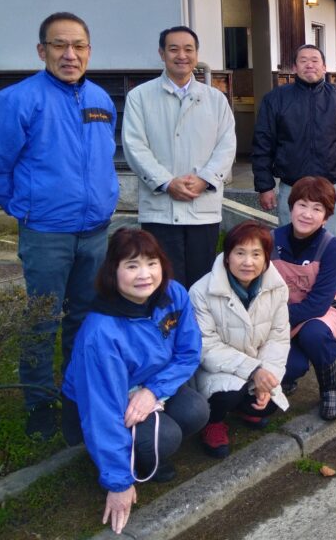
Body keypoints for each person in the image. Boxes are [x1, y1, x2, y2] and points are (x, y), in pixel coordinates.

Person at [0, 11, 119, 439]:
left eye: (78, 46)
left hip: (94, 232)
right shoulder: (17, 101)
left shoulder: (101, 99)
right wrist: (26, 209)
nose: (69, 54)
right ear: (42, 51)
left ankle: (76, 391)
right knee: (42, 319)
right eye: (59, 45)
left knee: (85, 316)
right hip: (46, 234)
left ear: (89, 51)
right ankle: (39, 400)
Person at [61, 228, 206, 536]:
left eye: (152, 263)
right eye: (132, 265)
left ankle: (148, 450)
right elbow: (101, 411)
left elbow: (189, 352)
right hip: (109, 396)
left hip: (151, 382)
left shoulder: (174, 295)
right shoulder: (101, 333)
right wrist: (118, 483)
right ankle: (133, 461)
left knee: (196, 410)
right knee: (165, 437)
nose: (145, 275)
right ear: (113, 271)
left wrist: (153, 391)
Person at [122, 26, 236, 287]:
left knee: (201, 282)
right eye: (174, 49)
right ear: (162, 54)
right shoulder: (140, 97)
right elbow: (134, 145)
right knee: (162, 281)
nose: (181, 55)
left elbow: (227, 144)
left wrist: (205, 179)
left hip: (202, 207)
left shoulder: (215, 99)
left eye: (188, 49)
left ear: (196, 54)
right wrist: (166, 182)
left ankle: (196, 318)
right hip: (160, 210)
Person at [190, 222, 291, 458]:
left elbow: (278, 338)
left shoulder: (277, 288)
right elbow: (206, 346)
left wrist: (265, 378)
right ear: (227, 257)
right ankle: (213, 422)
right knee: (229, 394)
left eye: (256, 254)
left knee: (269, 403)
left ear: (266, 259)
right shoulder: (200, 291)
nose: (248, 262)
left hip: (256, 363)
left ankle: (244, 408)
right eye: (240, 253)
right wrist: (254, 370)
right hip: (215, 368)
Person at [252, 44, 336, 243]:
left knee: (332, 244)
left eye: (315, 60)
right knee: (291, 245)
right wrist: (265, 186)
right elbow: (262, 145)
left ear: (324, 67)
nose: (309, 65)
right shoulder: (275, 99)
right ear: (294, 68)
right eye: (303, 61)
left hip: (332, 186)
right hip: (292, 187)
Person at [271, 176, 336, 420]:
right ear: (291, 207)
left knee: (313, 334)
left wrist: (276, 318)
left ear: (326, 217)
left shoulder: (332, 247)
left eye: (317, 209)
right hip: (278, 316)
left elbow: (318, 303)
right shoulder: (270, 240)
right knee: (292, 366)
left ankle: (330, 389)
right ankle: (288, 379)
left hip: (322, 313)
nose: (307, 214)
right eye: (302, 205)